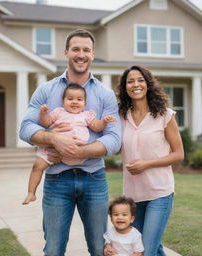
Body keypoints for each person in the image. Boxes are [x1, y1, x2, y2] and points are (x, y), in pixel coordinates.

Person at [19, 28, 121, 256]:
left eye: (86, 50)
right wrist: (53, 138)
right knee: (53, 249)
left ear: (93, 54)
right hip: (57, 179)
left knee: (99, 247)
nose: (81, 54)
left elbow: (114, 139)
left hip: (94, 179)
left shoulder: (105, 95)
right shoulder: (46, 90)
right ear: (66, 52)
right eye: (76, 49)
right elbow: (25, 128)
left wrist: (78, 150)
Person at [113, 65, 184, 256]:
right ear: (125, 87)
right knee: (152, 247)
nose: (135, 84)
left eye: (140, 80)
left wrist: (147, 164)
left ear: (148, 84)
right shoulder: (121, 117)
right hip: (133, 196)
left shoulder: (164, 115)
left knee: (145, 249)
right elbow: (115, 148)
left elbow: (178, 154)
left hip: (159, 193)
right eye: (130, 81)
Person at [22, 82, 116, 205]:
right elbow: (46, 122)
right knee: (37, 166)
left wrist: (103, 121)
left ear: (85, 103)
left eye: (79, 99)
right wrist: (43, 113)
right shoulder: (59, 112)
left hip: (78, 151)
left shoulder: (86, 115)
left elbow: (97, 127)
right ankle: (31, 193)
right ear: (63, 101)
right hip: (54, 151)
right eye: (70, 99)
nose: (74, 102)